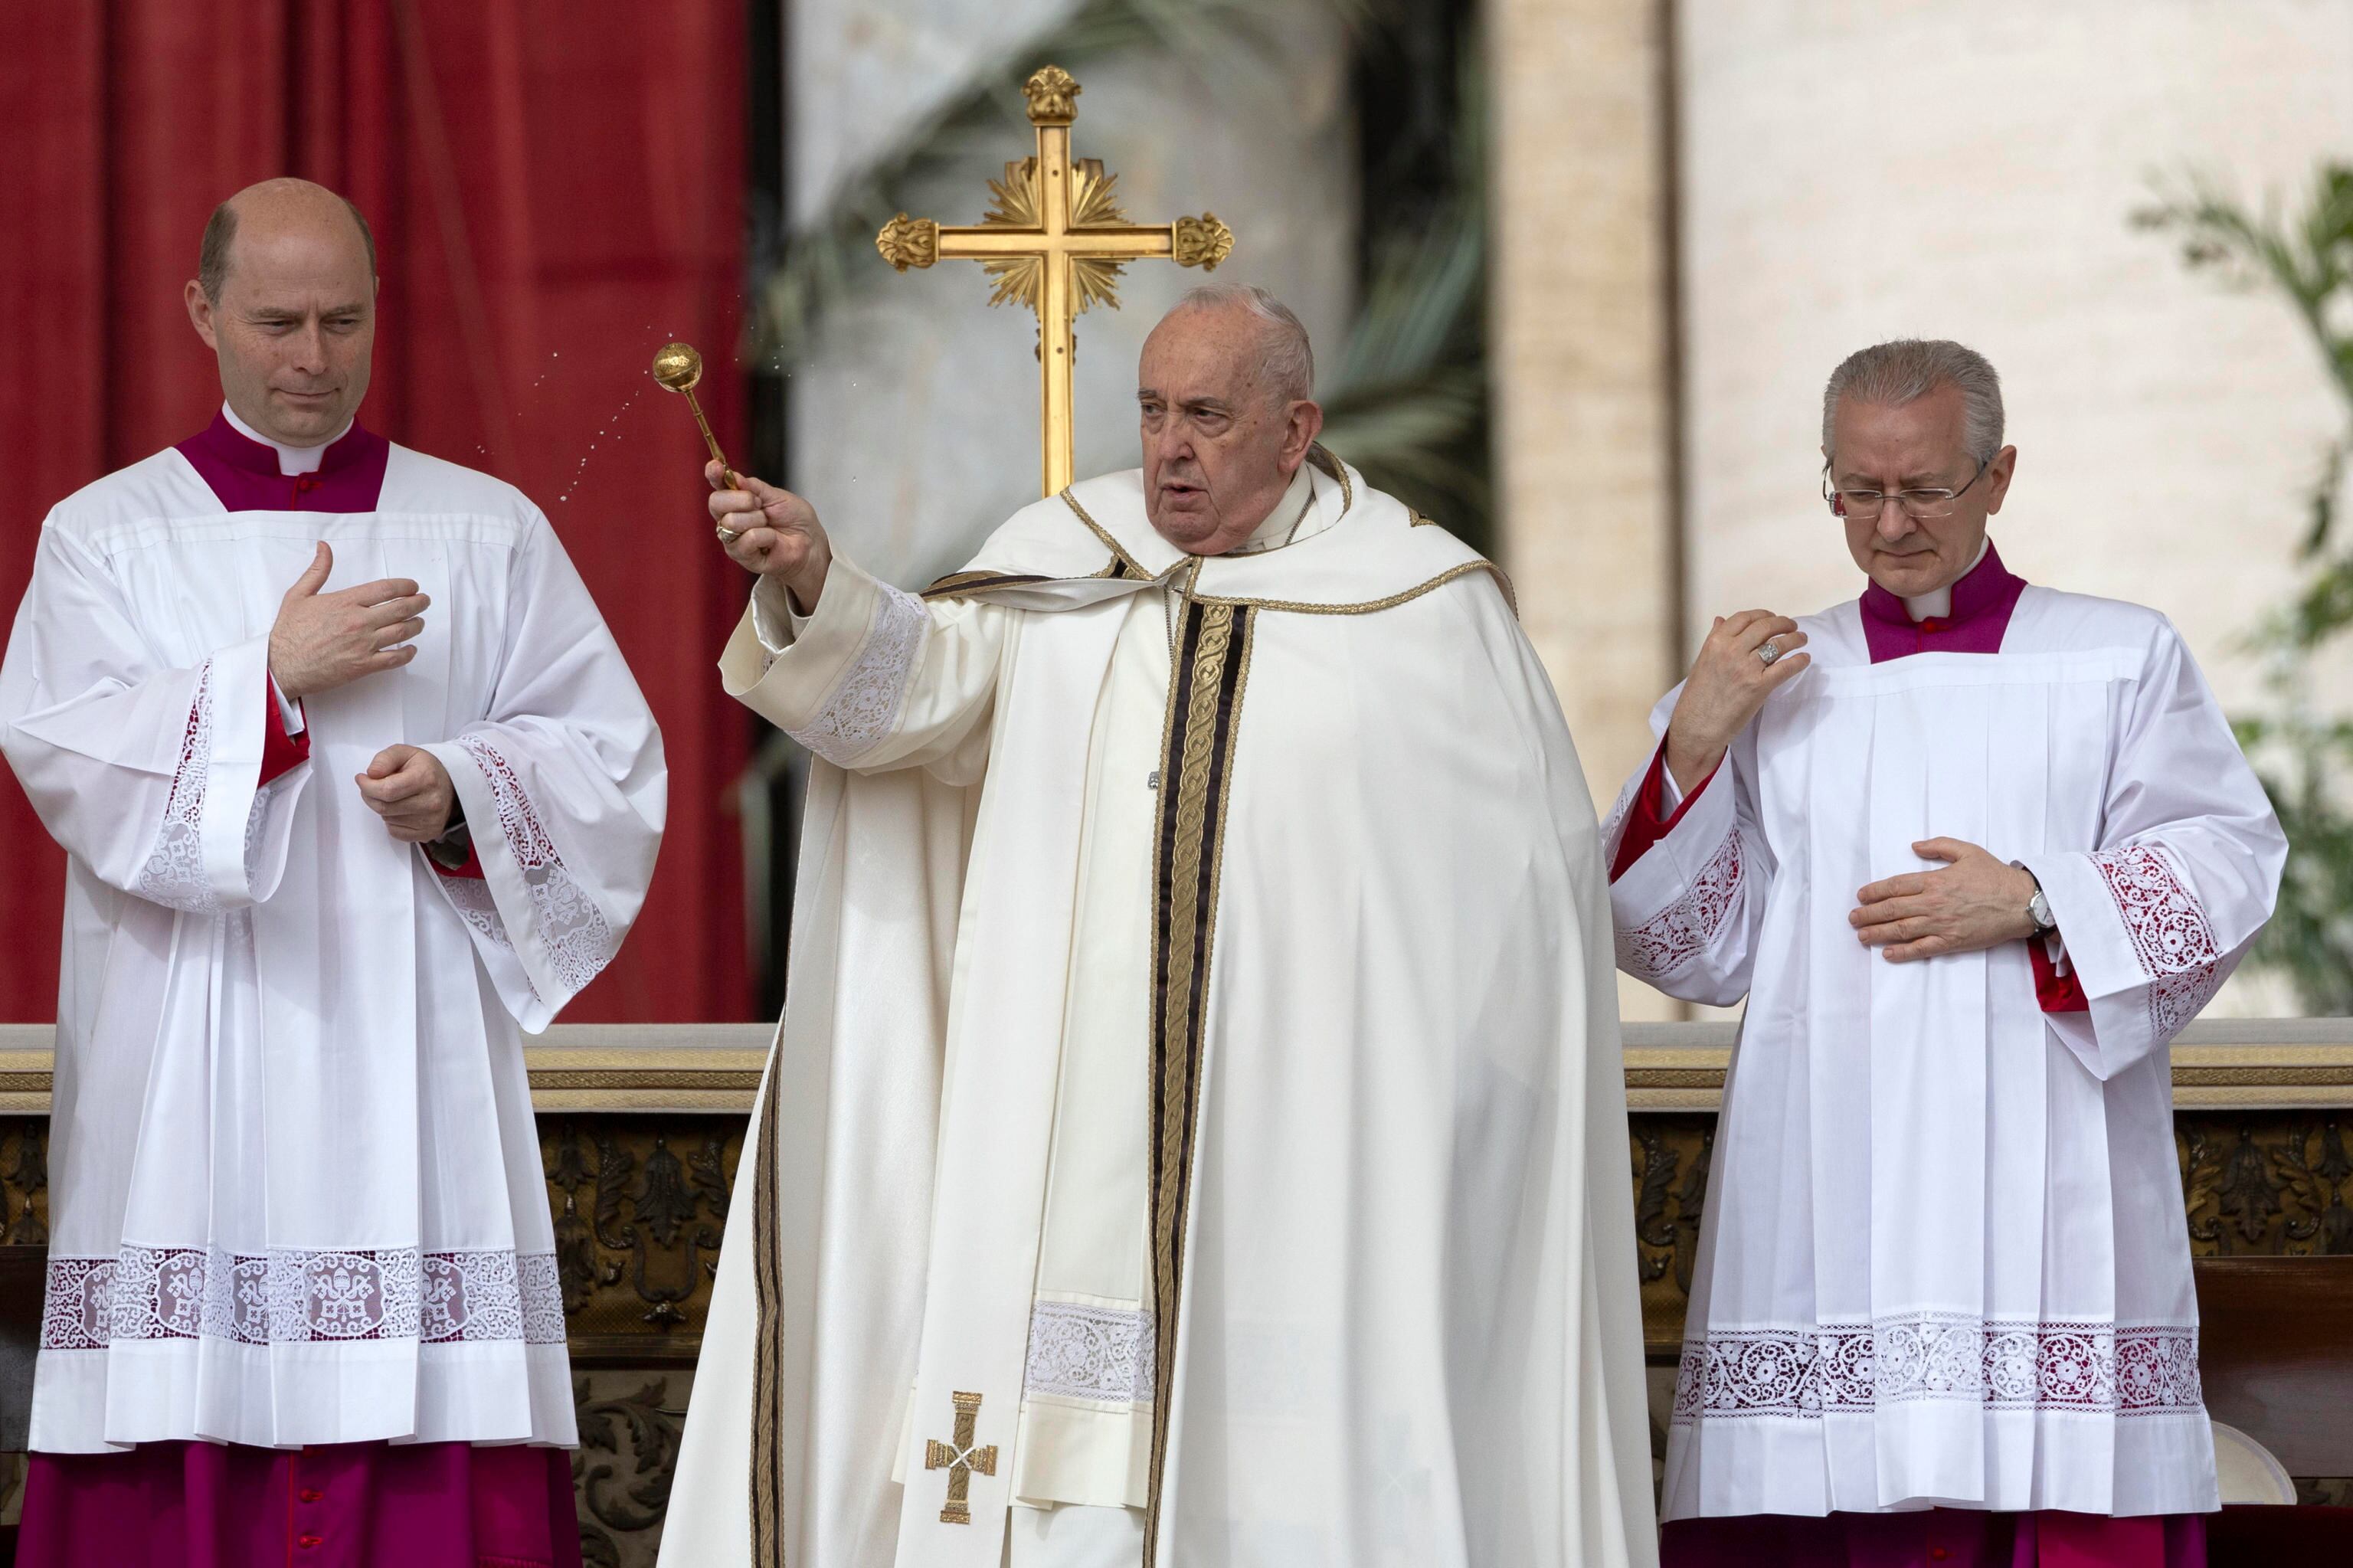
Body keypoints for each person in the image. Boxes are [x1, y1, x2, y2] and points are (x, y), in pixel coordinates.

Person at [659, 283, 1656, 1568]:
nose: (1168, 450)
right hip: (1068, 1124)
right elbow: (905, 700)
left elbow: (1523, 887)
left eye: (1206, 417)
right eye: (1150, 412)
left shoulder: (1422, 605)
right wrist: (815, 580)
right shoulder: (1061, 561)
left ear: (1295, 432)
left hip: (1309, 1150)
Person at [0, 178, 665, 1566]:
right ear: (202, 314)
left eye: (344, 321)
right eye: (278, 322)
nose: (313, 358)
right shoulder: (107, 536)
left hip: (406, 1054)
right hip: (194, 1059)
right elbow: (65, 753)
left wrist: (463, 794)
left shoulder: (484, 530)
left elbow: (605, 756)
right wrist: (272, 688)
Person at [1608, 339, 2286, 1566]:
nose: (1888, 522)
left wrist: (2035, 899)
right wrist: (1693, 748)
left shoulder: (2114, 657)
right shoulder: (1770, 682)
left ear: (1998, 475)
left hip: (2052, 1162)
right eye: (1856, 491)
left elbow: (2233, 859)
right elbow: (1689, 945)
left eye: (1922, 488)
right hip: (1829, 1164)